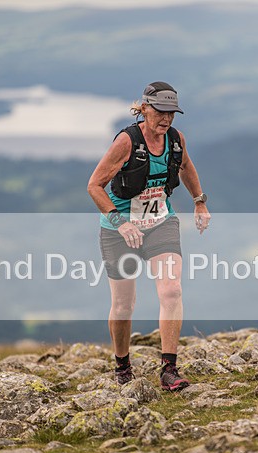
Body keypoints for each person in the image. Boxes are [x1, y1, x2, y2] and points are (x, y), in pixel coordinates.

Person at [87, 81, 211, 391]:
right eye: (160, 111)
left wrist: (199, 201)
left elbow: (186, 167)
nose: (166, 118)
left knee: (172, 291)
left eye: (172, 113)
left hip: (160, 223)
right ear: (145, 109)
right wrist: (120, 222)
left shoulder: (176, 140)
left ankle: (169, 369)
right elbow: (94, 186)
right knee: (123, 305)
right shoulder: (127, 142)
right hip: (119, 231)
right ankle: (122, 364)